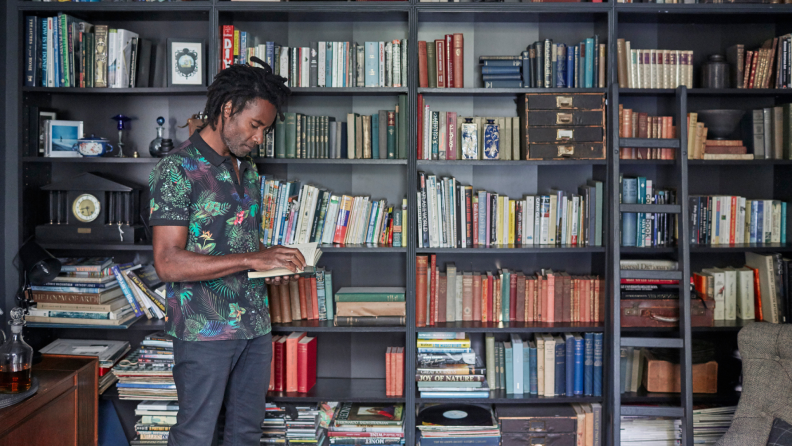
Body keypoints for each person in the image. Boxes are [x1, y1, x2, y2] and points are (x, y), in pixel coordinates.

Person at [149, 58, 305, 446]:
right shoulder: (176, 169)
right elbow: (168, 262)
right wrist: (253, 259)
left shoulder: (246, 168)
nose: (260, 138)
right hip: (204, 331)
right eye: (255, 126)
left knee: (245, 435)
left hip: (254, 326)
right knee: (196, 435)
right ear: (227, 110)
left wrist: (271, 261)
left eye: (265, 129)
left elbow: (235, 244)